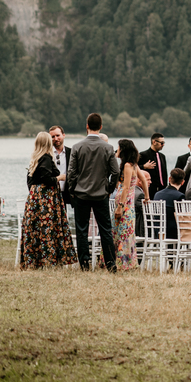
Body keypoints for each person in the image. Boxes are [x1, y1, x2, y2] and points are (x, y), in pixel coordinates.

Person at [66, 113, 119, 272]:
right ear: (101, 127)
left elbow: (71, 173)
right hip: (101, 194)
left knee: (81, 230)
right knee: (105, 230)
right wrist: (109, 189)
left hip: (81, 194)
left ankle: (84, 264)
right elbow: (115, 172)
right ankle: (111, 263)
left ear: (86, 126)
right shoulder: (108, 148)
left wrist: (73, 190)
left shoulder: (77, 147)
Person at [20, 132, 78, 269]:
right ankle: (48, 259)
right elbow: (47, 179)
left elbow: (30, 180)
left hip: (35, 197)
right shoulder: (45, 158)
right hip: (45, 198)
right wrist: (60, 178)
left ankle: (34, 259)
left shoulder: (35, 157)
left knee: (36, 228)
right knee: (48, 228)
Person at [108, 139, 151, 270]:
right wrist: (147, 196)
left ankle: (121, 262)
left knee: (121, 232)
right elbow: (143, 179)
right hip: (129, 202)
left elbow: (126, 187)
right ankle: (126, 261)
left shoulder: (127, 165)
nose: (117, 150)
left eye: (119, 148)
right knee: (125, 232)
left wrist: (120, 206)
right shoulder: (133, 164)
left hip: (124, 202)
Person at [154, 167, 187, 240]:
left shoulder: (157, 194)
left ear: (169, 179)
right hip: (172, 232)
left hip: (157, 230)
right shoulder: (180, 196)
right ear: (182, 182)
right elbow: (183, 217)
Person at [138, 132, 168, 200]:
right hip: (149, 189)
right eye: (161, 143)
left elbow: (164, 173)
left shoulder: (162, 156)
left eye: (164, 143)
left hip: (162, 189)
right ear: (154, 142)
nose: (163, 145)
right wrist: (144, 166)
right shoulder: (143, 155)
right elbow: (133, 169)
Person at [47, 125, 70, 202]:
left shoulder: (71, 152)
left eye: (58, 135)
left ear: (63, 135)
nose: (56, 139)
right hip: (51, 192)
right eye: (53, 137)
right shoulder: (46, 154)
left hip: (68, 192)